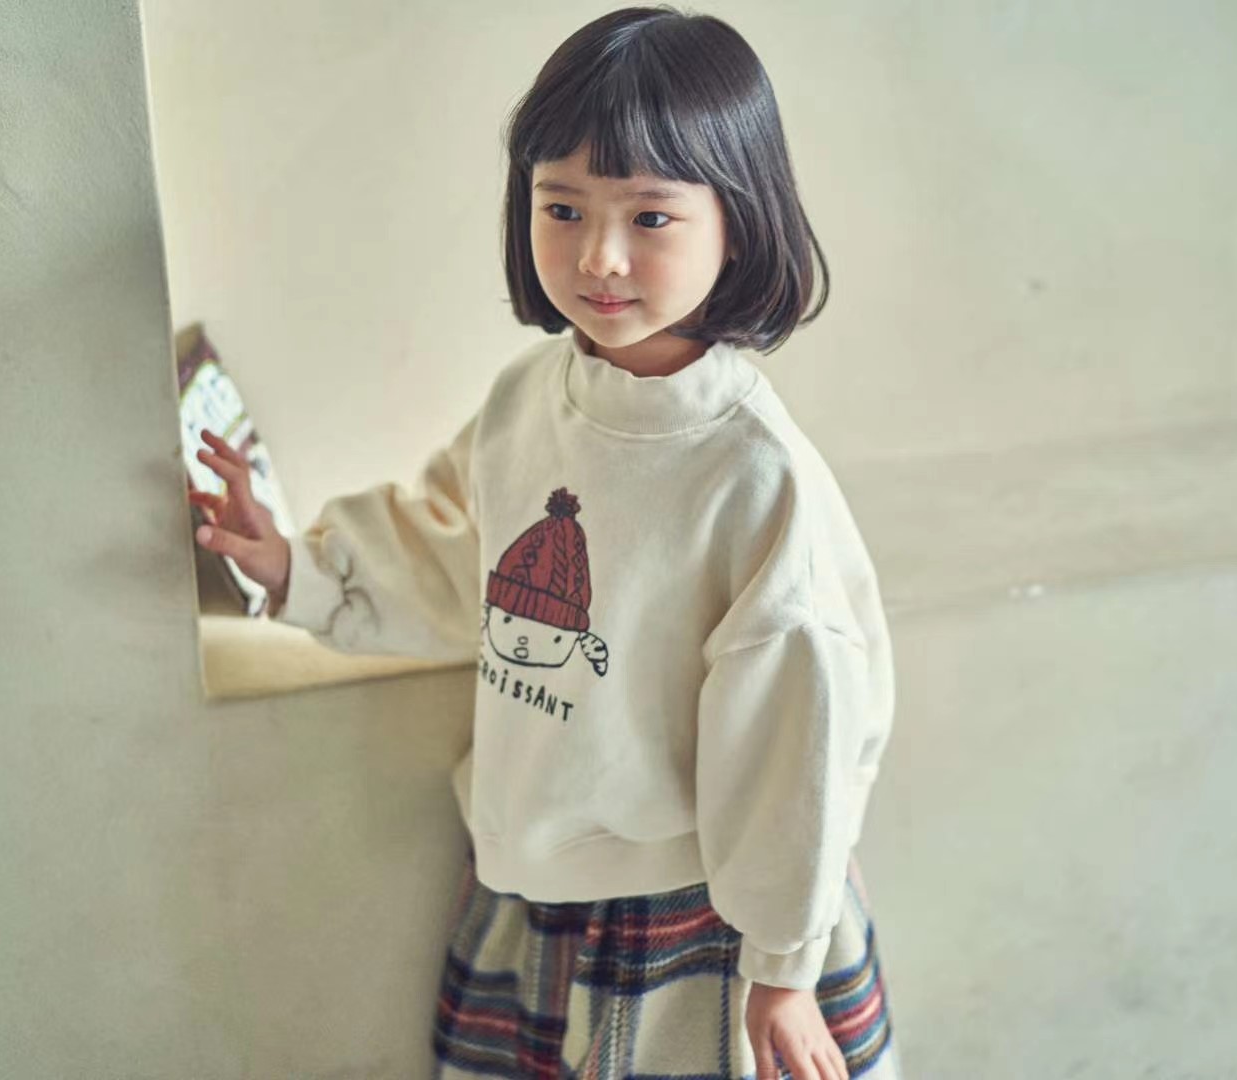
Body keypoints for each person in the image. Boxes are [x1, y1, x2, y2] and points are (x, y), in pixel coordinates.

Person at [190, 7, 900, 1077]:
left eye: (650, 216)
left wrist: (783, 968)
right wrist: (296, 566)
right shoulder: (532, 396)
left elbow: (797, 738)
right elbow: (454, 550)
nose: (598, 256)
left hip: (704, 919)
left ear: (739, 223)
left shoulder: (754, 477)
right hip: (532, 880)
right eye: (561, 207)